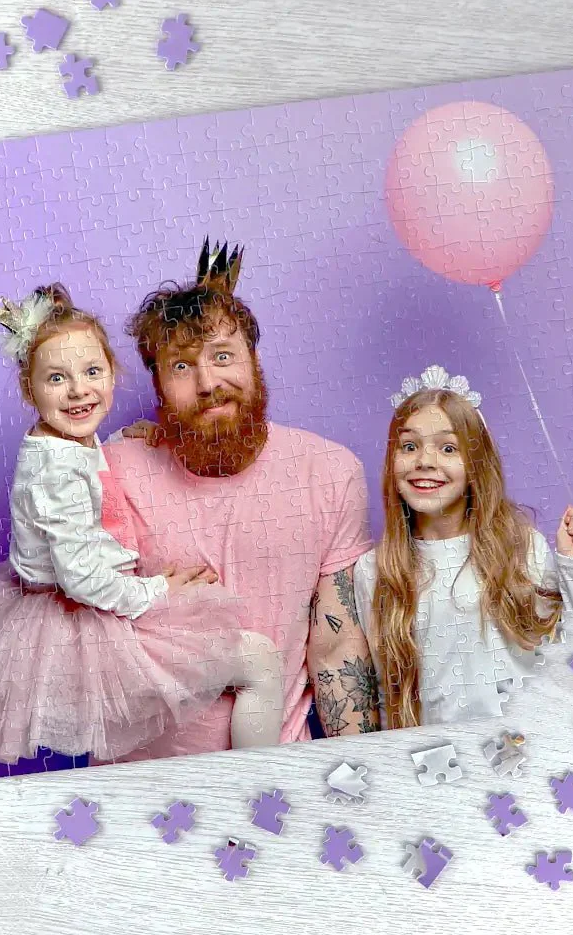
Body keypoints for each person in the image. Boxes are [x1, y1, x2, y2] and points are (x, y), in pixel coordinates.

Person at [0, 283, 284, 765]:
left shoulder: (64, 444)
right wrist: (157, 590)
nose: (78, 390)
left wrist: (123, 439)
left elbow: (82, 486)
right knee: (259, 661)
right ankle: (261, 780)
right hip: (81, 617)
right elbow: (81, 577)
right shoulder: (56, 470)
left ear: (113, 373)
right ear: (29, 389)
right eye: (56, 378)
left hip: (81, 602)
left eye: (92, 371)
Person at [93, 238, 380, 762]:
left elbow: (336, 646)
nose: (208, 383)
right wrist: (156, 604)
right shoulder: (111, 472)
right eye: (181, 367)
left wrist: (359, 771)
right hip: (135, 786)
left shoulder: (329, 471)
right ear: (158, 385)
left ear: (254, 359)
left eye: (223, 356)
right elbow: (80, 646)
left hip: (275, 779)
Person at [354, 365, 573, 728]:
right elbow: (384, 687)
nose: (425, 461)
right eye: (409, 446)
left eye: (448, 448)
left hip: (527, 742)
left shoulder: (521, 547)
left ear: (476, 464)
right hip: (439, 753)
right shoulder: (374, 570)